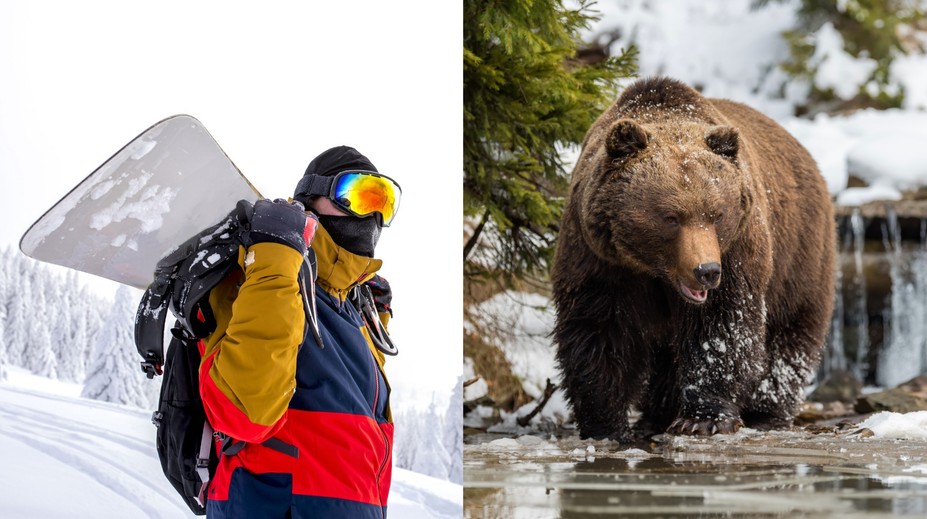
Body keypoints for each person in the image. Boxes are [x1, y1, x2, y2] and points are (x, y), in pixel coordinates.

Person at [198, 146, 401, 518]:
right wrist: (274, 258)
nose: (371, 214)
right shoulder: (266, 272)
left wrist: (374, 319)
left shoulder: (349, 303)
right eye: (356, 196)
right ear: (310, 198)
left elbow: (339, 401)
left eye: (383, 203)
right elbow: (245, 411)